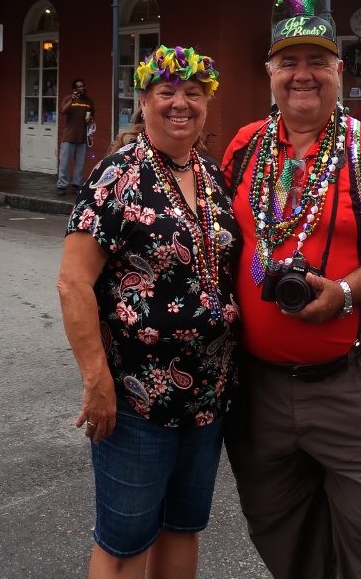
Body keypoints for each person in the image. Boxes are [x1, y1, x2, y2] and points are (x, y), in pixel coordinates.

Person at [222, 0, 361, 579]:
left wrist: (342, 292)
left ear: (338, 71)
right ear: (269, 73)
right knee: (281, 533)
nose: (302, 75)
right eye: (288, 62)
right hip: (259, 392)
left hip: (351, 391)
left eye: (317, 61)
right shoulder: (244, 147)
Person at [57, 45, 239, 579]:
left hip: (208, 397)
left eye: (193, 93)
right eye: (167, 92)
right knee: (125, 543)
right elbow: (73, 284)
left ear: (207, 103)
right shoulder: (117, 175)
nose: (180, 103)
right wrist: (96, 380)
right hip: (135, 401)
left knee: (183, 528)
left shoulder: (210, 174)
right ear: (144, 101)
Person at [57, 77, 95, 194]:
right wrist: (72, 100)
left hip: (82, 136)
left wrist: (90, 122)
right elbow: (63, 111)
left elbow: (92, 116)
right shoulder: (69, 98)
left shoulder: (89, 101)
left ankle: (76, 185)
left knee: (80, 163)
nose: (82, 88)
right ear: (74, 89)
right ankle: (62, 185)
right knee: (65, 162)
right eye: (79, 87)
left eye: (83, 86)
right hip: (69, 136)